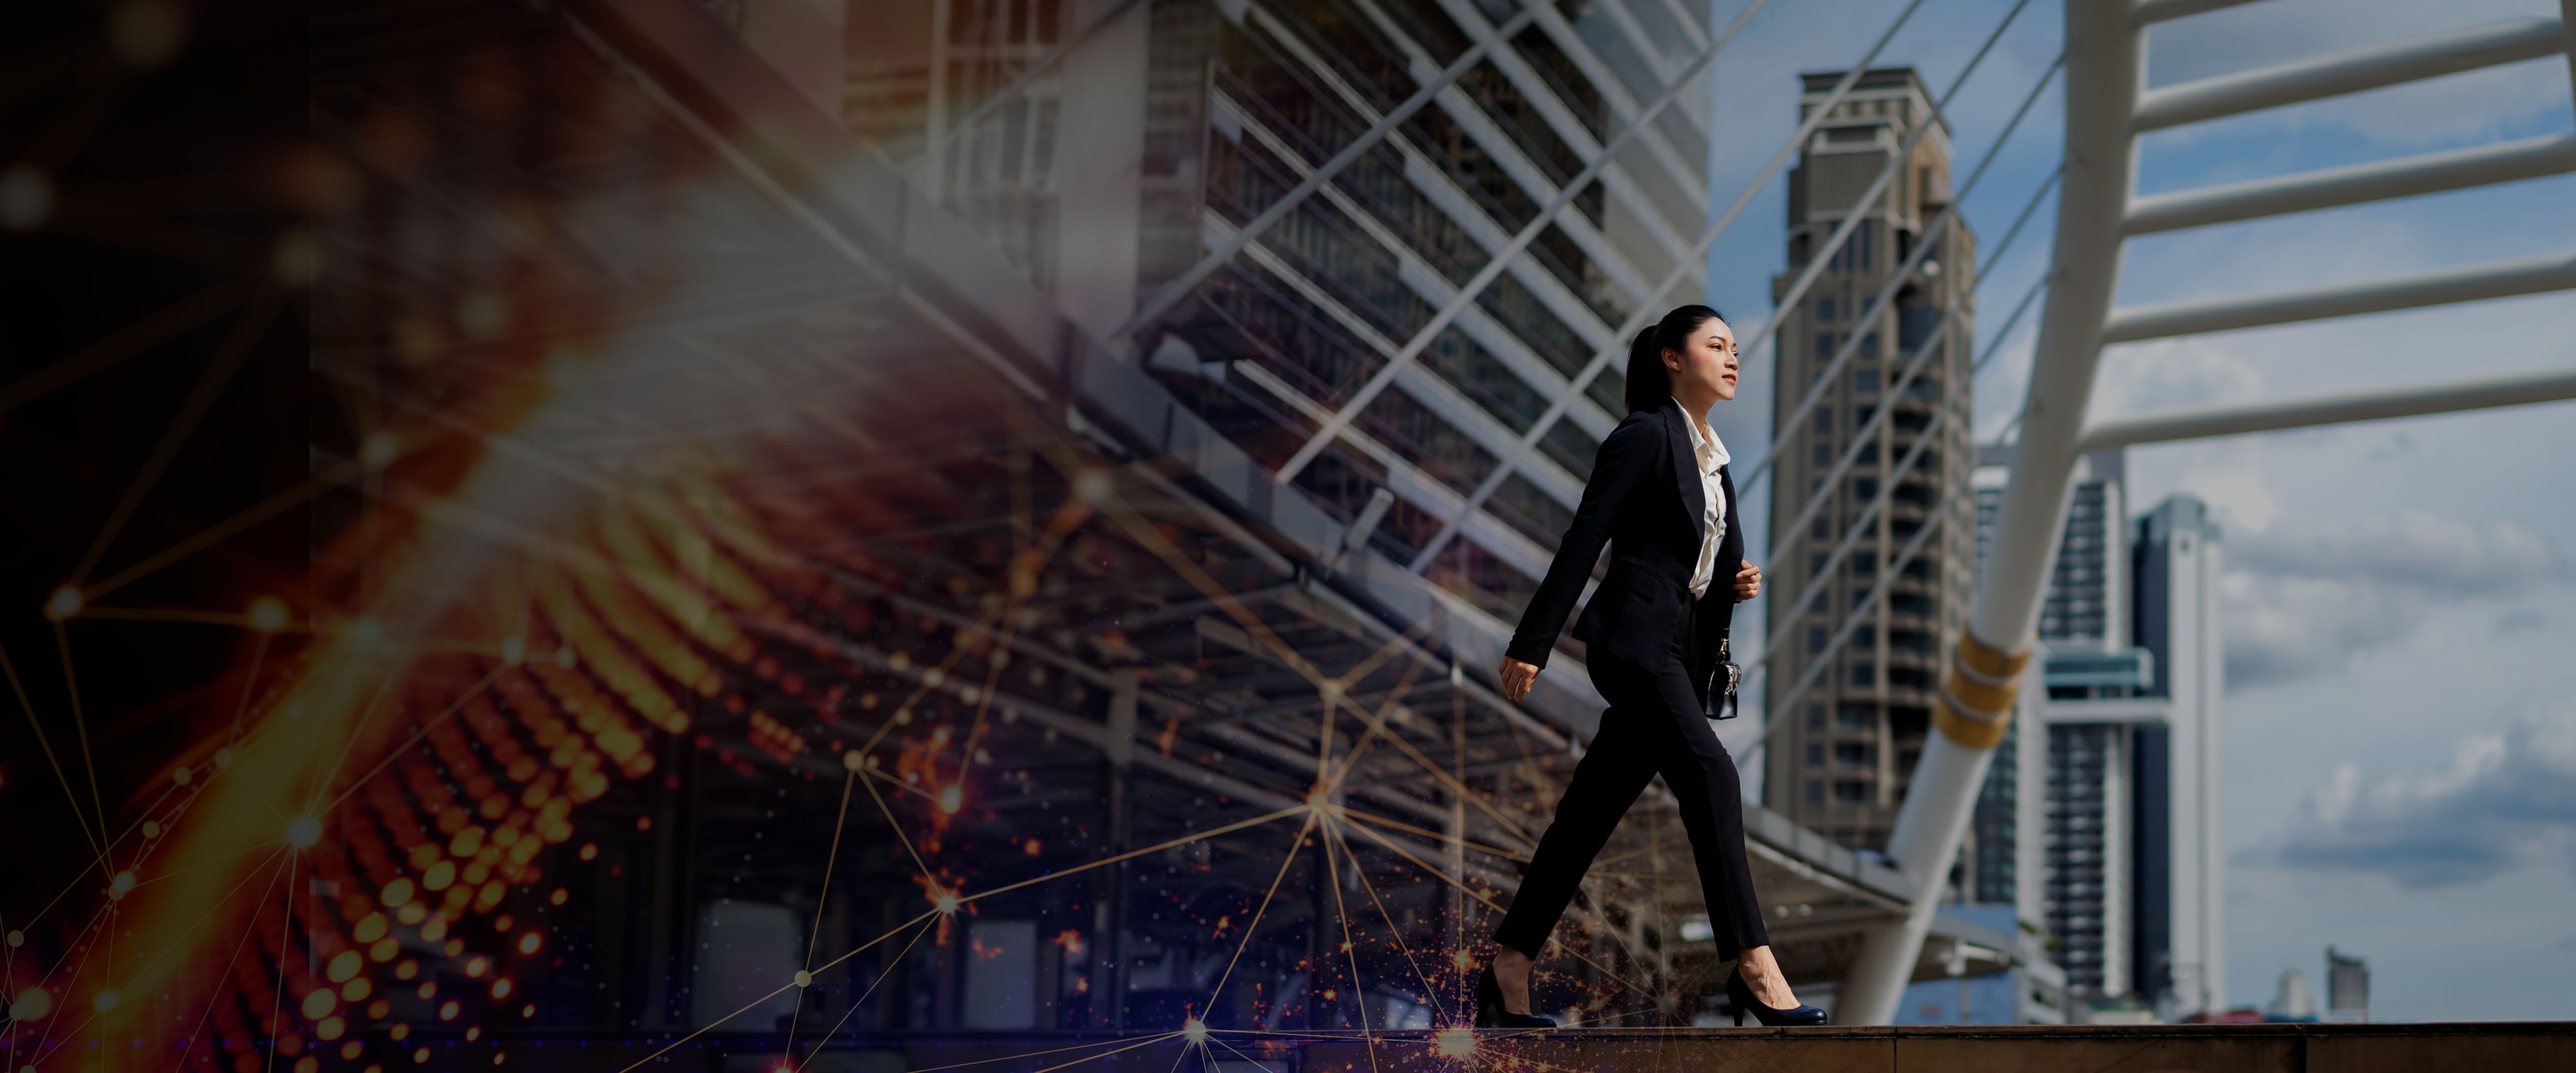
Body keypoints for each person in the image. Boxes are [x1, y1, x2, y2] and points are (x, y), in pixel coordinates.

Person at [1475, 304, 1828, 1029]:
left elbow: (1689, 558)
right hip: (1634, 644)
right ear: (1672, 358)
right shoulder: (1644, 435)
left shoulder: (1716, 461)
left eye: (1735, 348)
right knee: (1712, 773)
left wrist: (1733, 576)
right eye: (1715, 346)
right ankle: (1754, 966)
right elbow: (1588, 535)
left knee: (1586, 817)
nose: (1732, 359)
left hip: (1677, 650)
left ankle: (1508, 969)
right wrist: (1533, 640)